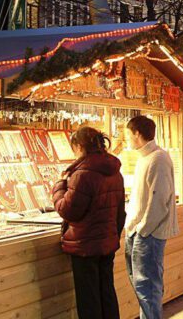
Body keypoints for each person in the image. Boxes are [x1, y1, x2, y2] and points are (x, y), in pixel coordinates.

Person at [52, 127, 126, 319]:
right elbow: (120, 212)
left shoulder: (81, 174)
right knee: (107, 293)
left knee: (89, 300)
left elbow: (68, 210)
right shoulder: (114, 171)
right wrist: (113, 236)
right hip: (106, 243)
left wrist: (59, 186)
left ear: (79, 146)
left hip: (84, 245)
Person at [123, 115, 178, 319]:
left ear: (137, 134)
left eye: (128, 134)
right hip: (139, 230)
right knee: (141, 286)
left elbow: (158, 200)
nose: (127, 139)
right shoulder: (145, 158)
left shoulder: (158, 158)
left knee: (148, 287)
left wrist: (143, 230)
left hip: (149, 233)